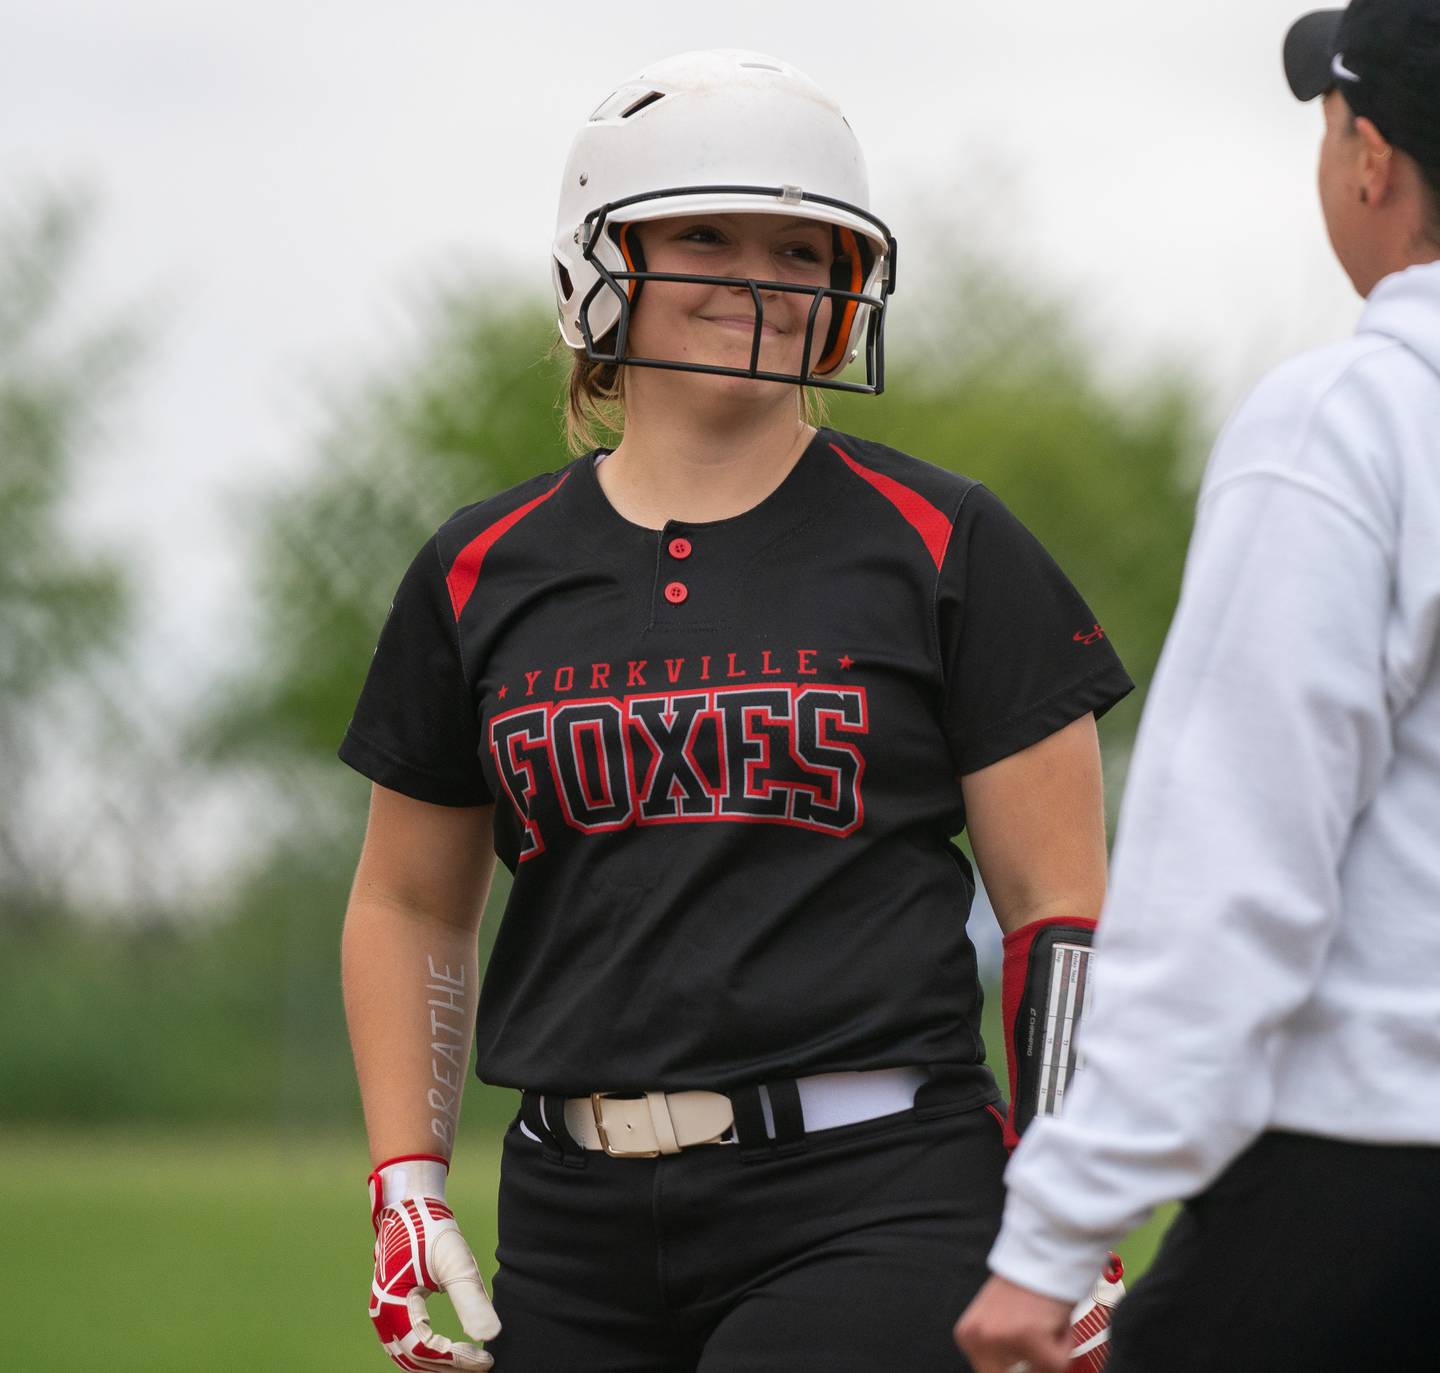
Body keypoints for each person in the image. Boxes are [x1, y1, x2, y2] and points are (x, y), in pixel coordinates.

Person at [339, 48, 1132, 1373]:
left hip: (874, 1193)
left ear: (845, 283)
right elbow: (412, 900)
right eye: (704, 233)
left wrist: (1070, 1213)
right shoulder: (480, 568)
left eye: (801, 246)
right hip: (572, 1213)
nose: (761, 275)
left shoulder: (947, 543)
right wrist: (408, 1175)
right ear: (600, 259)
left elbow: (1064, 921)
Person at [954, 3, 1440, 1371]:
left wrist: (1055, 1231)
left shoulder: (1349, 420)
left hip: (1375, 1172)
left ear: (1369, 160)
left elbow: (1233, 871)